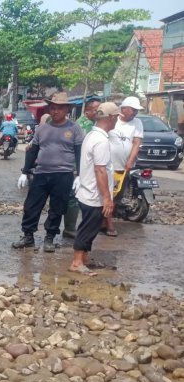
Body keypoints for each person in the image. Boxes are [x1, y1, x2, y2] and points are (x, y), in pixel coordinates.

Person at [12, 92, 84, 252]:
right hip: (41, 173)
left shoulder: (74, 129)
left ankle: (50, 237)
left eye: (59, 108)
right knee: (31, 206)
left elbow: (79, 152)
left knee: (57, 207)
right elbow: (33, 150)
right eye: (53, 108)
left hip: (63, 174)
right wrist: (25, 171)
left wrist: (79, 174)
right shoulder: (42, 129)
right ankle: (28, 236)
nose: (55, 111)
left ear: (67, 110)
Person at [69, 102, 119, 277]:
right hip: (93, 194)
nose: (117, 121)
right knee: (88, 228)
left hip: (87, 191)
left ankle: (84, 258)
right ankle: (76, 262)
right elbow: (100, 170)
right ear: (111, 118)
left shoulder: (92, 135)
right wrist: (107, 198)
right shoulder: (101, 140)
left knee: (90, 225)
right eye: (116, 117)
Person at [106, 96, 144, 238]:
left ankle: (106, 221)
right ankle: (107, 223)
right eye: (133, 110)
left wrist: (130, 161)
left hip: (123, 167)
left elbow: (136, 143)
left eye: (136, 111)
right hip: (108, 166)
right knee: (106, 195)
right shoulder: (113, 120)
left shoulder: (137, 123)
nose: (135, 113)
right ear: (124, 108)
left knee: (116, 196)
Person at [63, 99, 100, 239]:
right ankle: (70, 228)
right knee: (74, 197)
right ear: (88, 111)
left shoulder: (92, 124)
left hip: (84, 167)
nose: (99, 112)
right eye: (96, 109)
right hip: (79, 167)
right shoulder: (84, 125)